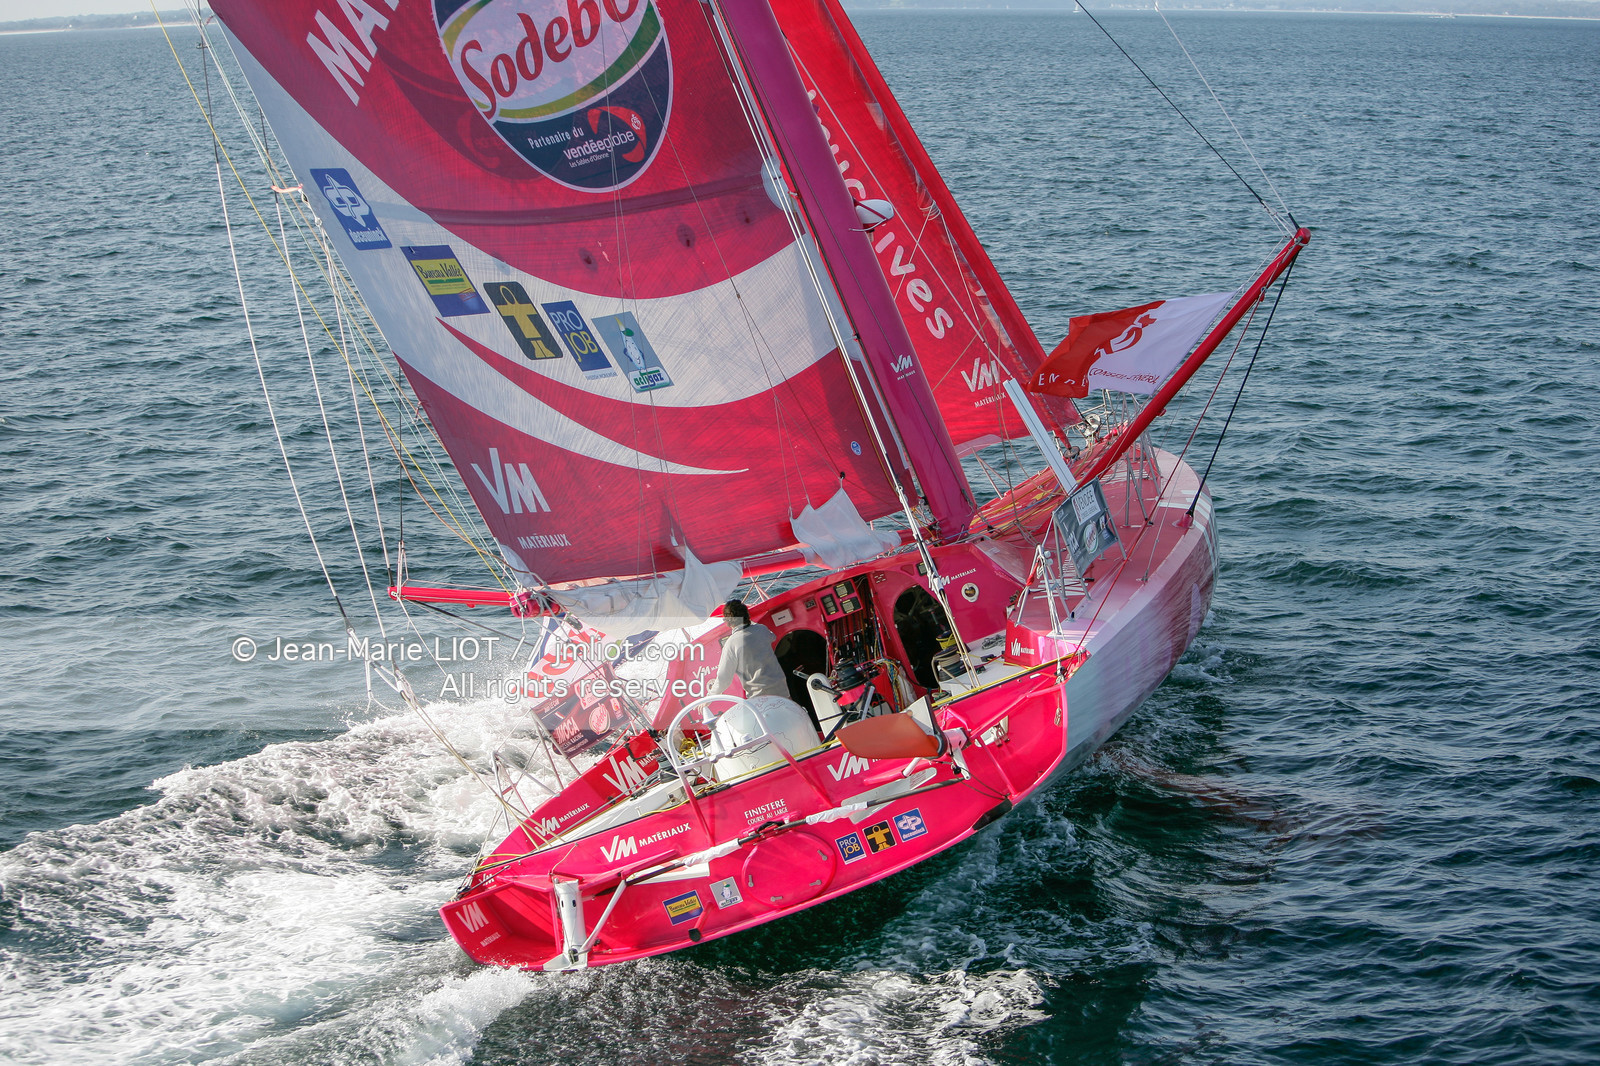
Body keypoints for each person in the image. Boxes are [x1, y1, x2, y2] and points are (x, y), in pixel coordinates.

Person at [712, 599, 790, 701]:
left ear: (729, 621)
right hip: (781, 689)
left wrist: (711, 695)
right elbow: (772, 637)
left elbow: (723, 679)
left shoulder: (731, 644)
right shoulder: (762, 629)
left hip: (760, 697)